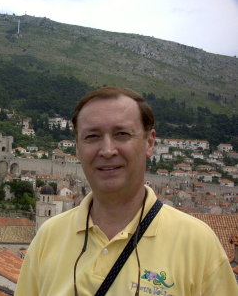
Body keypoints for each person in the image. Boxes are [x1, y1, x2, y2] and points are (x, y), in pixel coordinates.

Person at [15, 87, 237, 296]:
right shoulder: (48, 236)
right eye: (92, 136)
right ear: (78, 148)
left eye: (122, 134)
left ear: (149, 143)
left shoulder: (198, 243)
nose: (108, 150)